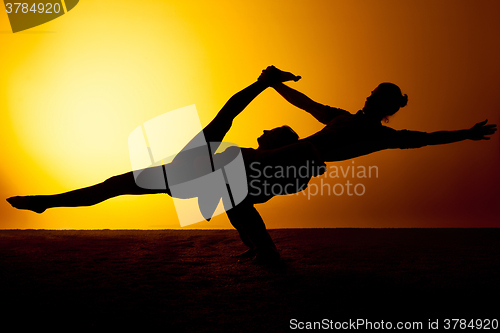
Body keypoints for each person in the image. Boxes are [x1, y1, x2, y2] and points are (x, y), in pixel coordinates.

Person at [7, 68, 322, 263]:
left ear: (276, 143)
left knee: (115, 186)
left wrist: (263, 84)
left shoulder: (263, 162)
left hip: (191, 173)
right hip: (194, 172)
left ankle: (45, 203)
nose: (264, 130)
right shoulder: (259, 165)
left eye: (271, 132)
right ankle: (261, 249)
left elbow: (231, 114)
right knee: (116, 186)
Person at [258, 66, 496, 162]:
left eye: (376, 96)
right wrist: (274, 84)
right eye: (371, 93)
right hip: (287, 154)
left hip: (299, 162)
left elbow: (427, 138)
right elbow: (307, 103)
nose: (369, 97)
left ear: (386, 107)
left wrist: (466, 133)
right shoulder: (341, 116)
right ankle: (263, 249)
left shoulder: (381, 136)